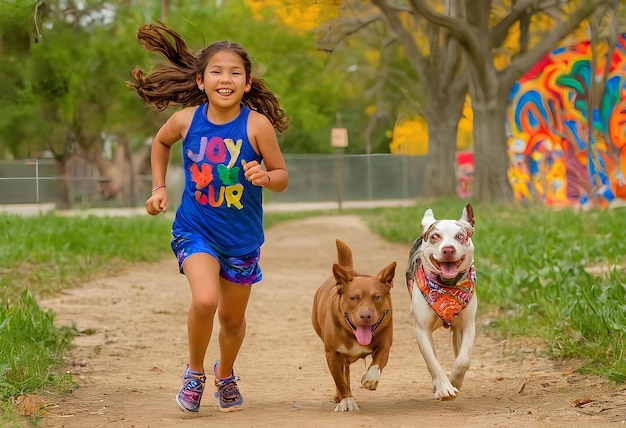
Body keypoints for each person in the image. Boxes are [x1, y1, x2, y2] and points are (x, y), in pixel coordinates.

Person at [127, 22, 289, 413]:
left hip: (242, 239)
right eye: (216, 71)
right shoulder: (186, 120)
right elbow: (161, 142)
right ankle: (195, 373)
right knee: (204, 300)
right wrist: (158, 188)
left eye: (235, 72)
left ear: (247, 83)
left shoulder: (257, 125)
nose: (225, 78)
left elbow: (282, 177)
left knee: (232, 321)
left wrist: (266, 177)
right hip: (195, 229)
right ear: (201, 81)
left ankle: (225, 373)